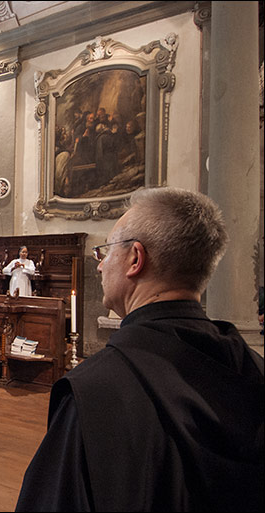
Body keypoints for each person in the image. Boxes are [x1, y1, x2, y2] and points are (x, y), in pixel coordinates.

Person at [15, 187, 264, 512]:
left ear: (135, 258)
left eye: (105, 252)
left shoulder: (96, 391)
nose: (101, 266)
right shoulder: (253, 367)